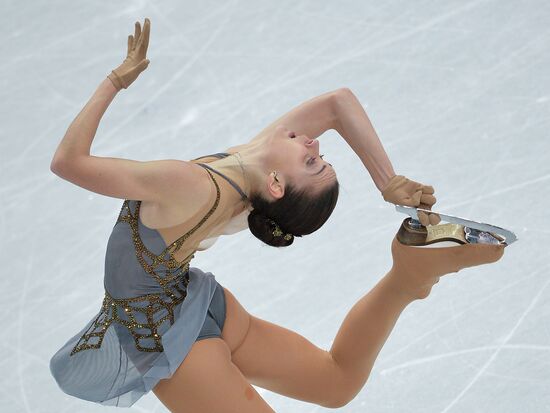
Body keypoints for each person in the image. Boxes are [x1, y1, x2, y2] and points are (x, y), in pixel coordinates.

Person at [48, 18, 505, 412]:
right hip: (196, 301)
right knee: (337, 380)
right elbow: (336, 104)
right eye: (316, 156)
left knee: (336, 382)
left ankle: (412, 273)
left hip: (163, 336)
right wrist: (386, 181)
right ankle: (409, 275)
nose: (314, 143)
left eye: (311, 161)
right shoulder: (248, 167)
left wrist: (114, 81)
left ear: (276, 186)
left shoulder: (189, 183)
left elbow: (67, 162)